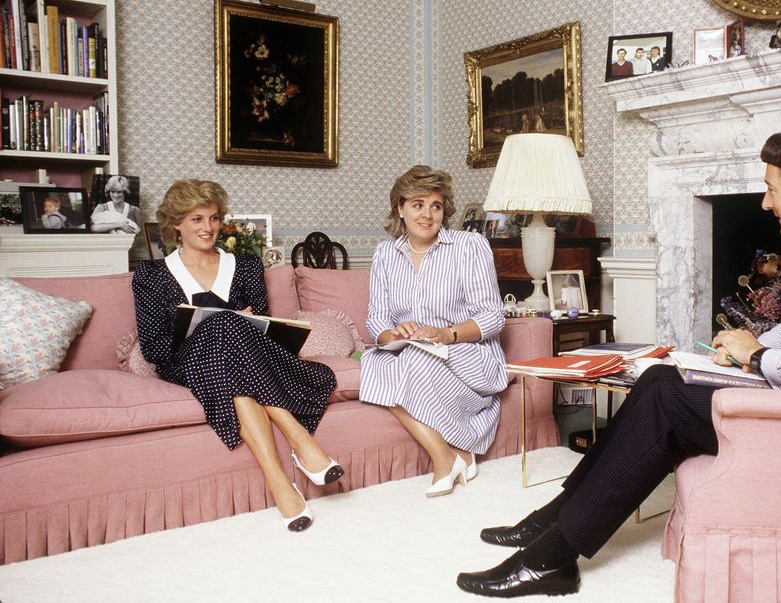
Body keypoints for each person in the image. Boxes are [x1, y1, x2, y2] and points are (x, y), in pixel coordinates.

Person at [456, 124, 781, 598]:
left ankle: (553, 559)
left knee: (669, 402)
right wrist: (737, 355)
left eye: (770, 188)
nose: (764, 202)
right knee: (658, 378)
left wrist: (758, 357)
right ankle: (557, 517)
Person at [132, 179, 342, 533]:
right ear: (176, 224)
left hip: (240, 360)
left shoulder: (244, 265)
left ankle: (278, 482)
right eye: (196, 219)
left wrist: (229, 322)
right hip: (185, 362)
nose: (208, 228)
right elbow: (153, 347)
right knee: (224, 327)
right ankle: (301, 441)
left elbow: (260, 326)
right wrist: (207, 326)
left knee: (231, 345)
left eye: (213, 218)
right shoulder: (150, 274)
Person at [360, 165, 507, 498]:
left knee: (412, 362)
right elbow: (376, 318)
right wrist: (392, 333)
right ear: (400, 207)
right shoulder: (385, 253)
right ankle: (447, 455)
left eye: (436, 206)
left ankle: (451, 459)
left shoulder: (469, 246)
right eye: (417, 204)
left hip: (465, 352)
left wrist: (446, 334)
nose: (427, 214)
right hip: (411, 349)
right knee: (373, 362)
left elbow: (492, 317)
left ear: (444, 210)